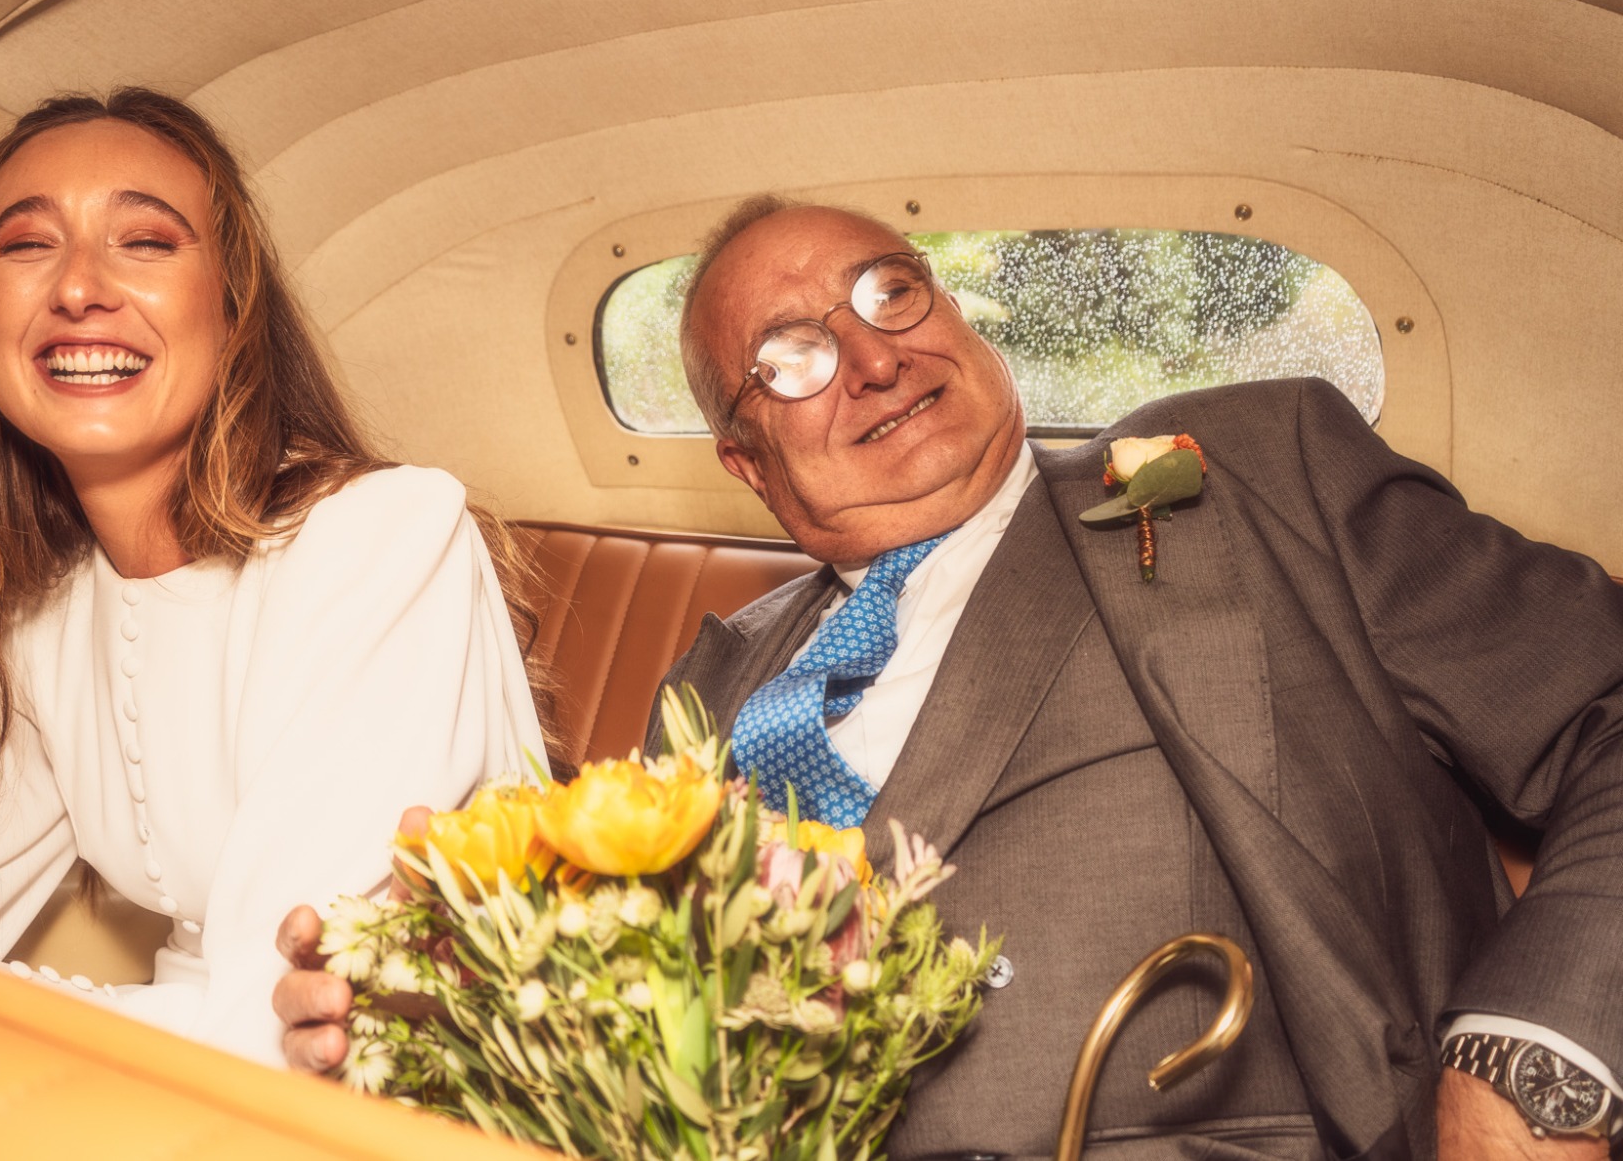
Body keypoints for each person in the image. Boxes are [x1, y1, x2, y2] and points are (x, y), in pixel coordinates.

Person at [276, 197, 1623, 1160]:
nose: (871, 357)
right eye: (792, 355)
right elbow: (641, 1031)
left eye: (890, 293)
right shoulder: (716, 681)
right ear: (747, 461)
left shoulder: (1235, 475)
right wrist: (439, 1004)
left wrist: (1526, 1060)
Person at [0, 88, 552, 1070]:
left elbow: (293, 1012)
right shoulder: (14, 589)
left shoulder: (385, 534)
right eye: (26, 244)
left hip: (384, 1086)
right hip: (200, 1042)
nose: (79, 287)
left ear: (233, 306)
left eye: (147, 242)